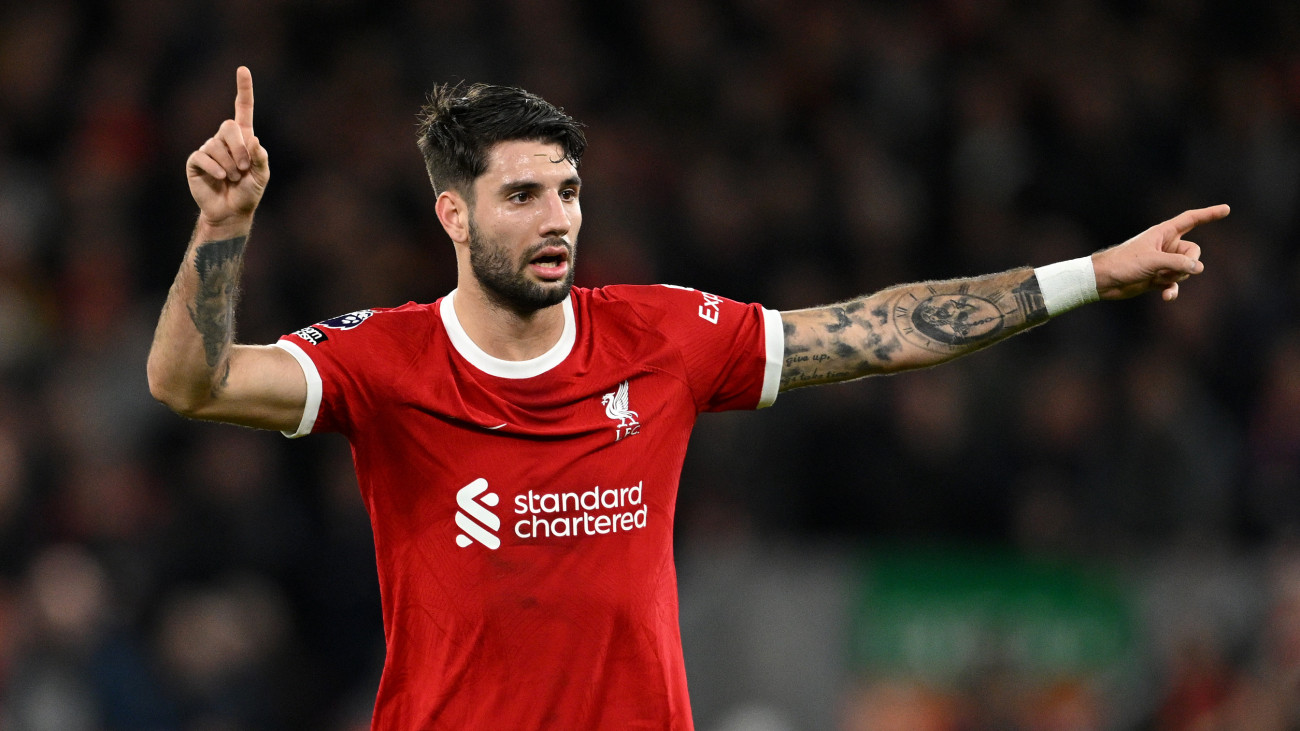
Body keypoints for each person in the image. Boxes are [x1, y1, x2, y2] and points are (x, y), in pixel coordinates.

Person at [146, 66, 1229, 729]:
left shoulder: (660, 336)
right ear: (454, 217)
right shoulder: (385, 360)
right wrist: (225, 221)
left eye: (568, 188)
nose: (556, 215)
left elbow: (880, 330)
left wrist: (1094, 272)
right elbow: (191, 382)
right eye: (521, 194)